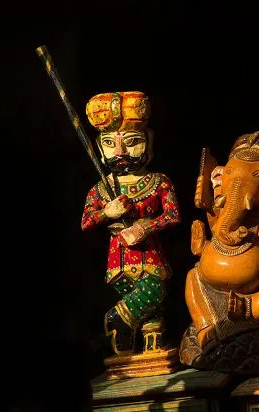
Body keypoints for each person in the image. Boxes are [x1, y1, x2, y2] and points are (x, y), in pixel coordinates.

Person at [81, 91, 180, 354]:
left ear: (148, 141)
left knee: (155, 295)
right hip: (118, 260)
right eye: (110, 143)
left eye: (132, 141)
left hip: (151, 256)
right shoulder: (100, 189)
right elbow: (86, 222)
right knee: (149, 306)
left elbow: (172, 215)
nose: (120, 151)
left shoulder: (159, 181)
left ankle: (122, 322)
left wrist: (145, 226)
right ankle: (130, 347)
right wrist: (107, 213)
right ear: (100, 148)